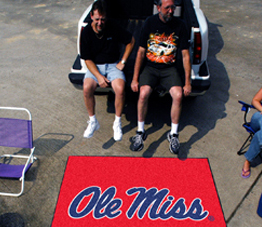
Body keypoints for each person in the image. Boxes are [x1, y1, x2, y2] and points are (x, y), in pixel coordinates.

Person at [130, 0, 192, 154]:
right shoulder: (149, 23)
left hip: (169, 69)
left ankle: (174, 134)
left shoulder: (180, 25)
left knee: (178, 96)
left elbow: (185, 55)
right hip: (150, 68)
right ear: (158, 8)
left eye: (173, 7)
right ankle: (140, 132)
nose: (171, 11)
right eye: (167, 8)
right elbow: (141, 52)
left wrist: (188, 82)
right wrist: (135, 78)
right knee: (143, 94)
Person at [80, 0, 135, 141]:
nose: (100, 23)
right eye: (97, 19)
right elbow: (87, 59)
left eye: (103, 19)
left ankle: (117, 122)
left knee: (120, 89)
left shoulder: (113, 26)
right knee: (87, 88)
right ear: (91, 16)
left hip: (112, 64)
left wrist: (123, 61)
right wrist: (98, 77)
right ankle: (93, 121)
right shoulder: (86, 32)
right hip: (95, 66)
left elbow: (131, 41)